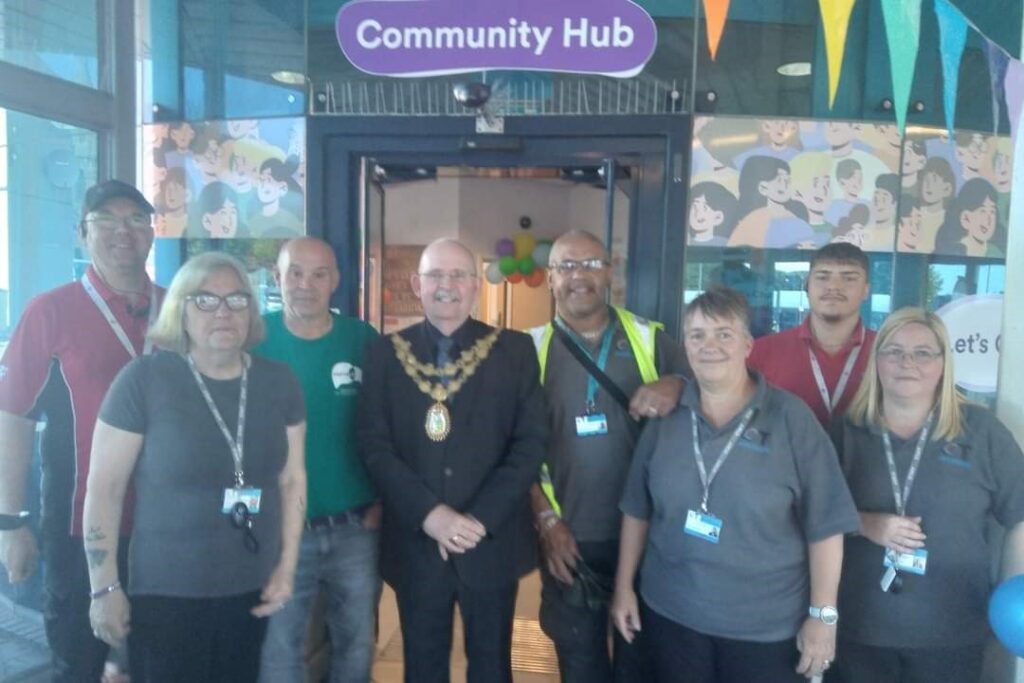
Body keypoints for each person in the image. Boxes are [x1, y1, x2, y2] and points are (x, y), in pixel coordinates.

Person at [612, 286, 859, 683]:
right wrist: (624, 587)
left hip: (763, 630)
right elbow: (637, 509)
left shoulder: (791, 420)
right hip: (672, 617)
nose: (709, 346)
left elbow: (826, 526)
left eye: (723, 334)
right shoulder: (666, 417)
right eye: (697, 335)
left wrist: (822, 615)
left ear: (747, 344)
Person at [83, 252, 307, 683]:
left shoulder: (279, 382)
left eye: (237, 300)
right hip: (167, 594)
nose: (223, 312)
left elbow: (292, 478)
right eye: (205, 300)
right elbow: (104, 489)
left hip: (250, 588)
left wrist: (287, 565)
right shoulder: (143, 380)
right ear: (180, 310)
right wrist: (104, 588)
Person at [358, 238, 546, 683]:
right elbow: (373, 445)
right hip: (415, 544)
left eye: (458, 274)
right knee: (422, 668)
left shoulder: (514, 351)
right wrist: (430, 516)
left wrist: (476, 521)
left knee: (492, 668)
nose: (447, 285)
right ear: (416, 284)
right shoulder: (386, 353)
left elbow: (530, 444)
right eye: (435, 275)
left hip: (491, 542)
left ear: (476, 286)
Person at [0, 179, 161, 681]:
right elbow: (12, 415)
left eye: (135, 219)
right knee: (81, 662)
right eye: (105, 220)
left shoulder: (179, 307)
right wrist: (11, 523)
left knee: (163, 662)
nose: (122, 231)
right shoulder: (51, 311)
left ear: (152, 233)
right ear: (81, 233)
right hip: (80, 531)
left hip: (172, 531)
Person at [527, 230, 690, 683]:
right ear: (550, 278)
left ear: (611, 272)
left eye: (592, 264)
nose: (580, 276)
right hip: (568, 538)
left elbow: (709, 395)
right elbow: (512, 452)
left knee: (641, 666)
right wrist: (545, 523)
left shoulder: (651, 340)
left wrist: (677, 383)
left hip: (649, 539)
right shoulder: (526, 350)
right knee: (580, 666)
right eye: (567, 266)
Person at [829, 308, 1024, 683]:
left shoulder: (982, 432)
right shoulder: (847, 431)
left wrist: (1011, 593)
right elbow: (812, 513)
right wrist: (866, 523)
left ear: (943, 363)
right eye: (894, 351)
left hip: (953, 630)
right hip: (861, 627)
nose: (908, 363)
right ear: (877, 360)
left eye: (923, 353)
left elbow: (1021, 514)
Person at [257, 237, 381, 683]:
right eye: (295, 272)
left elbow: (390, 426)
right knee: (280, 649)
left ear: (336, 282)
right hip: (280, 531)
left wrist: (383, 499)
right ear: (277, 278)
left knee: (356, 645)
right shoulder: (254, 338)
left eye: (318, 274)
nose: (305, 284)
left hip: (355, 529)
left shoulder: (362, 339)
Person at [748, 242, 874, 427]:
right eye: (823, 277)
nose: (833, 286)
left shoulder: (889, 352)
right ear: (807, 286)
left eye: (849, 278)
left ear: (866, 290)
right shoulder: (760, 352)